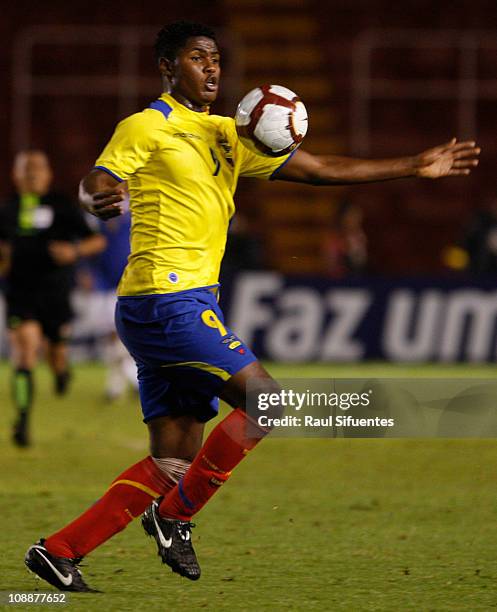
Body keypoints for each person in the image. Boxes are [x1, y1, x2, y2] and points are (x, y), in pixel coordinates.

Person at [24, 21, 480, 592]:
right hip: (169, 300)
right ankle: (174, 517)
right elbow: (98, 178)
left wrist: (413, 165)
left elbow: (314, 170)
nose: (211, 68)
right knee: (268, 402)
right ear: (169, 68)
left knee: (175, 463)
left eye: (215, 58)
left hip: (166, 304)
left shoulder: (228, 133)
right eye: (197, 58)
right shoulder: (148, 125)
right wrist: (98, 197)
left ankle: (60, 551)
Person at [0, 150, 106, 447]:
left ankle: (61, 372)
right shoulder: (7, 210)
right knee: (25, 351)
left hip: (56, 294)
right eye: (26, 168)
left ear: (48, 174)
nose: (32, 173)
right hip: (20, 293)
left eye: (38, 168)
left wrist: (74, 251)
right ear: (15, 174)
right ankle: (22, 419)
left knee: (56, 355)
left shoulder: (63, 206)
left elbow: (96, 240)